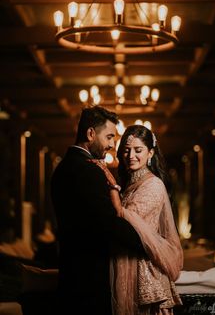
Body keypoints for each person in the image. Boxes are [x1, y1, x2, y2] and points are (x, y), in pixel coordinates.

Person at [50, 106, 145, 315]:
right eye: (109, 137)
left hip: (71, 274)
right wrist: (145, 243)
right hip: (88, 282)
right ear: (90, 133)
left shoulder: (64, 167)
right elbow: (108, 223)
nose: (112, 145)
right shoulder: (86, 170)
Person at [95, 125, 183, 315]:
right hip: (127, 262)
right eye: (126, 150)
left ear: (150, 152)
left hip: (146, 273)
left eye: (138, 150)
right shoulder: (130, 184)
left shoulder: (153, 185)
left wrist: (111, 187)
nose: (131, 155)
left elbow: (124, 219)